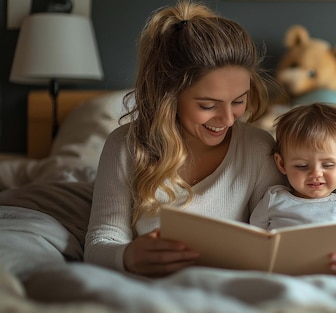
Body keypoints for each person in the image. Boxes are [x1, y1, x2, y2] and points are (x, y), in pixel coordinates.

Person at [84, 0, 285, 277]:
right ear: (169, 96)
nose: (228, 119)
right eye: (207, 105)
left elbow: (278, 235)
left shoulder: (258, 148)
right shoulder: (126, 147)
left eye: (239, 101)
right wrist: (128, 256)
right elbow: (100, 243)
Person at [250, 103, 336, 275]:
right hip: (281, 272)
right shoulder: (274, 198)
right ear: (281, 164)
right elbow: (253, 239)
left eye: (328, 165)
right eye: (302, 166)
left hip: (330, 273)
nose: (316, 174)